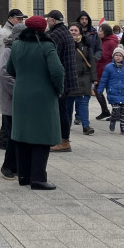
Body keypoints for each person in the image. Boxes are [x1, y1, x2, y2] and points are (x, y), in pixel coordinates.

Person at [6, 16, 65, 189]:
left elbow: (10, 69)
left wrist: (23, 78)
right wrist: (59, 89)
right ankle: (38, 178)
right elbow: (57, 71)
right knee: (42, 135)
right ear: (43, 29)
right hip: (43, 95)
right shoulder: (46, 45)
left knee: (23, 134)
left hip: (21, 94)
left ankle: (24, 176)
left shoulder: (17, 45)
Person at [45, 10, 78, 153]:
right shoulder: (65, 31)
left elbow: (53, 58)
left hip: (61, 79)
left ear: (53, 20)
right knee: (63, 110)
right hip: (68, 78)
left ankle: (63, 141)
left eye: (48, 20)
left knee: (60, 111)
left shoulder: (56, 34)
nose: (47, 22)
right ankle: (62, 139)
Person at [0, 17, 25, 179]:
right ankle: (7, 166)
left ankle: (16, 165)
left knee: (18, 135)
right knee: (12, 135)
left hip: (20, 98)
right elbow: (4, 74)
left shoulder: (20, 50)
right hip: (11, 98)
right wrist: (19, 90)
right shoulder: (8, 50)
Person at [95, 46, 124, 135]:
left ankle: (123, 128)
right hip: (113, 92)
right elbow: (104, 80)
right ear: (113, 56)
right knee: (116, 110)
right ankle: (113, 119)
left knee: (123, 111)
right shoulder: (109, 67)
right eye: (116, 55)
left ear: (123, 57)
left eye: (120, 55)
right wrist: (100, 90)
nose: (118, 57)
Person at [69, 23, 97, 134]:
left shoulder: (85, 43)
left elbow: (91, 61)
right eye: (71, 30)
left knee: (84, 103)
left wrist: (94, 78)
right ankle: (66, 126)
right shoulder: (65, 43)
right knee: (68, 105)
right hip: (70, 78)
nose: (73, 32)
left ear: (80, 32)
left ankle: (86, 126)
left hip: (84, 77)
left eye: (75, 30)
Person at [93, 24, 119, 120]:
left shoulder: (111, 42)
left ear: (106, 32)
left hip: (107, 70)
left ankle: (116, 113)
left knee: (110, 91)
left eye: (100, 31)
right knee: (97, 90)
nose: (99, 32)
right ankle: (105, 111)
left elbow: (108, 56)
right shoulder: (102, 41)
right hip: (100, 69)